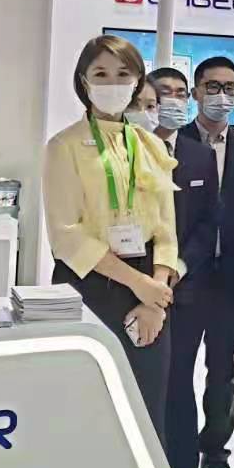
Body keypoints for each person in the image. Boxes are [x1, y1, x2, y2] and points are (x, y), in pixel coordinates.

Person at [43, 36, 180, 436]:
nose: (112, 83)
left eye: (123, 74)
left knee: (147, 410)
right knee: (89, 413)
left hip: (151, 290)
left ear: (137, 82)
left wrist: (156, 295)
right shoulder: (64, 145)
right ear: (83, 81)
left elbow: (167, 230)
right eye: (100, 74)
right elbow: (66, 235)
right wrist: (139, 285)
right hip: (89, 285)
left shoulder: (152, 145)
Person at [131, 77, 219, 468]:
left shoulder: (199, 155)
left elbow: (207, 225)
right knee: (134, 389)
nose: (171, 101)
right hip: (127, 291)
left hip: (183, 293)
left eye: (180, 94)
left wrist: (176, 269)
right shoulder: (123, 152)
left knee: (178, 387)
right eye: (159, 95)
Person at [179, 55, 234, 468]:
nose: (221, 95)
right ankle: (174, 451)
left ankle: (214, 454)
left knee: (223, 371)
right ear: (196, 92)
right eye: (212, 86)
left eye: (229, 87)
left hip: (231, 278)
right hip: (183, 277)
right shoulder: (173, 142)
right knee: (177, 370)